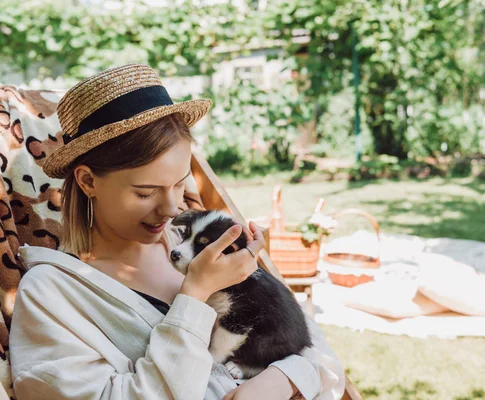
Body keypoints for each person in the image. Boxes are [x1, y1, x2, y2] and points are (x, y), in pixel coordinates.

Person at [8, 64, 345, 399]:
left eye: (180, 184)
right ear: (88, 181)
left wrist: (285, 378)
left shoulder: (200, 243)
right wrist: (195, 295)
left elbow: (317, 354)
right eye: (145, 192)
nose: (172, 209)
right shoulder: (52, 294)